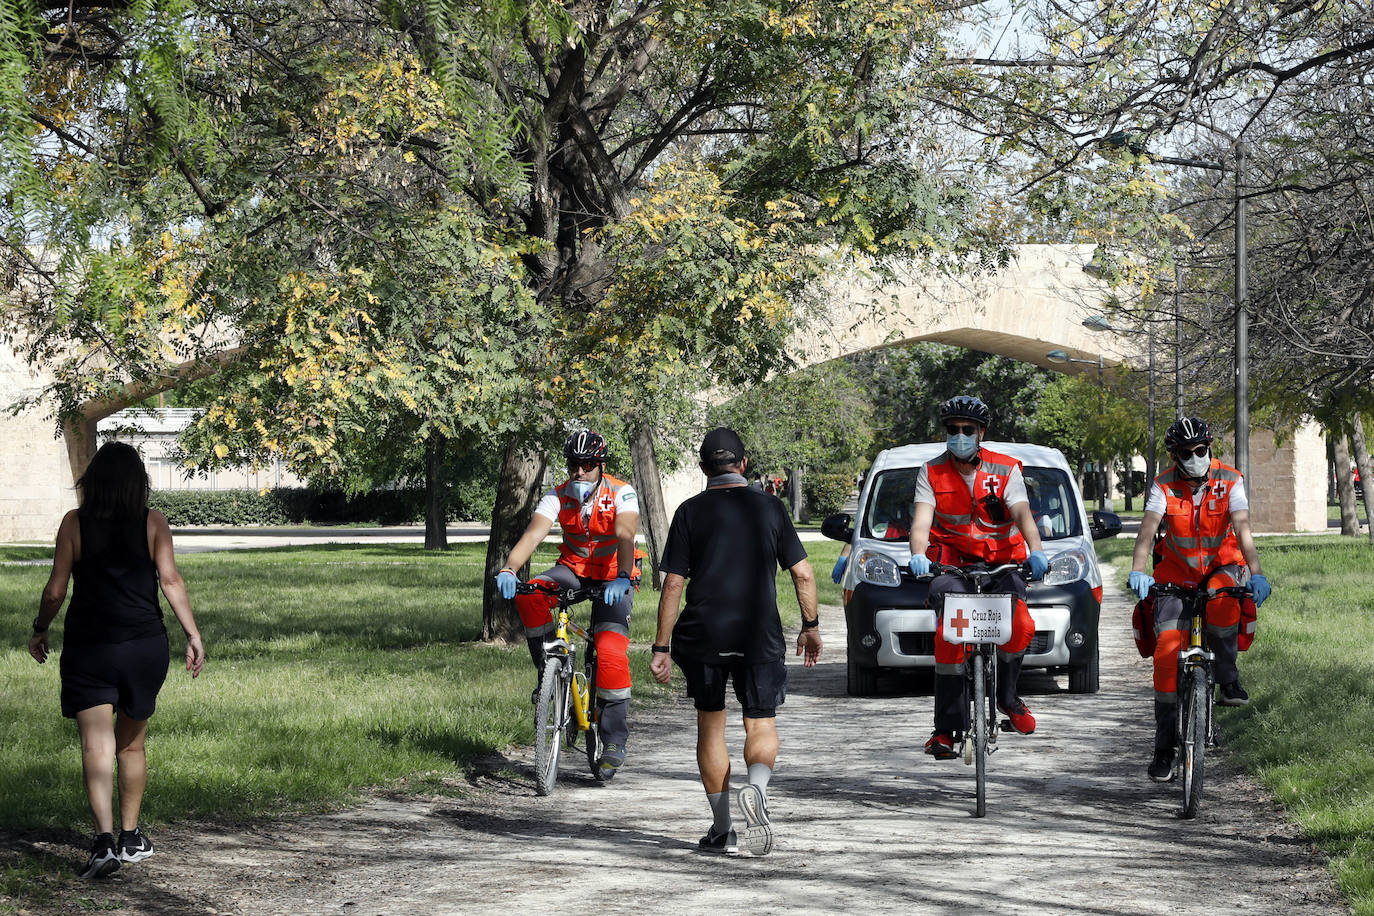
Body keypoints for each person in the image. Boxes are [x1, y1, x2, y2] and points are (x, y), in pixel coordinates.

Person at [28, 441, 204, 879]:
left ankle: (103, 842)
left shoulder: (74, 524)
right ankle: (130, 837)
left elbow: (55, 590)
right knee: (132, 743)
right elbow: (171, 579)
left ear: (94, 483)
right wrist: (192, 633)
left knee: (95, 745)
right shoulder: (153, 523)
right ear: (136, 484)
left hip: (91, 647)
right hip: (144, 646)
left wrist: (40, 627)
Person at [650, 427, 821, 856]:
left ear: (704, 469)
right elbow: (802, 573)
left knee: (711, 723)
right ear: (744, 465)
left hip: (703, 633)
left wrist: (661, 647)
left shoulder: (689, 511)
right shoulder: (771, 509)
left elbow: (672, 584)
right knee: (760, 721)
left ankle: (722, 828)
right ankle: (757, 792)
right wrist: (811, 625)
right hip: (757, 632)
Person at [1127, 416, 1272, 782]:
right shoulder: (1163, 485)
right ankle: (1164, 749)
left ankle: (1227, 677)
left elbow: (1242, 529)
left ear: (1209, 449)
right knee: (1165, 653)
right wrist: (1139, 570)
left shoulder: (1230, 480)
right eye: (1186, 453)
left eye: (1200, 450)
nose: (1194, 457)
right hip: (1175, 575)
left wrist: (1255, 573)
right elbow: (1147, 532)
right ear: (1175, 456)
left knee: (1223, 608)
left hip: (1222, 567)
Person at [906, 396, 1049, 759]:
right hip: (952, 567)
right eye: (952, 430)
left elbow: (1022, 513)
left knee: (1020, 625)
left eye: (967, 430)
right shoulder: (932, 471)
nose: (959, 436)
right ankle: (945, 730)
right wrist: (918, 555)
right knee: (949, 635)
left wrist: (1037, 550)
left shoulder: (1005, 470)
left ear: (981, 432)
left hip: (1003, 564)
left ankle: (1008, 698)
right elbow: (921, 522)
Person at [495, 429, 640, 779]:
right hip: (573, 570)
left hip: (613, 575)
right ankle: (548, 671)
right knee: (529, 596)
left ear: (600, 464)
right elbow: (533, 534)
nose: (579, 472)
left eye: (586, 465)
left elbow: (625, 534)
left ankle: (614, 740)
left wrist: (622, 576)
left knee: (609, 651)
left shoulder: (623, 492)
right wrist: (510, 568)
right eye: (574, 464)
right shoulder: (557, 495)